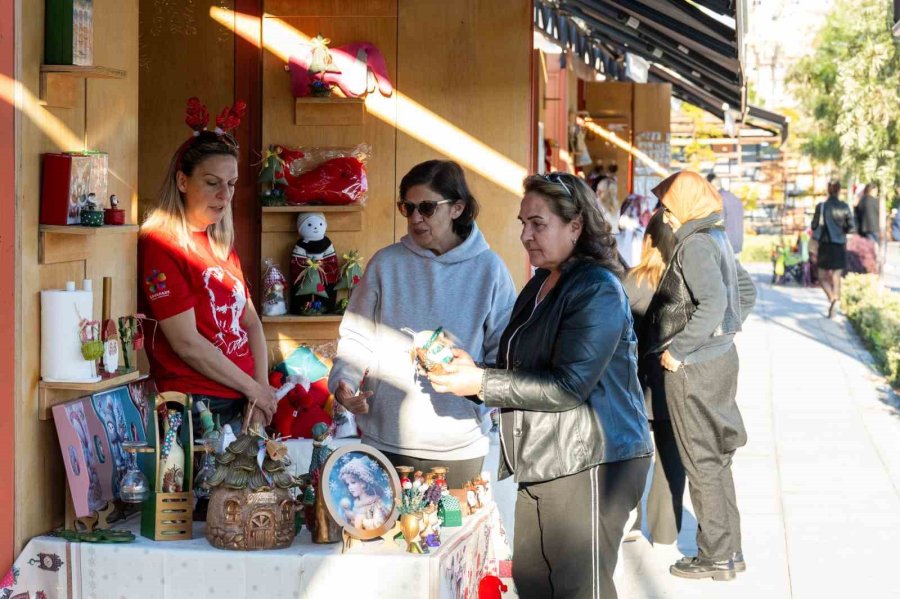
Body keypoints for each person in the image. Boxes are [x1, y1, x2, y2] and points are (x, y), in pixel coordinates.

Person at [428, 172, 652, 599]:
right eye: (522, 223)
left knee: (578, 590)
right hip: (546, 458)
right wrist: (469, 375)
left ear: (576, 225)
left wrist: (483, 380)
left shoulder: (597, 288)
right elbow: (524, 368)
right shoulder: (540, 283)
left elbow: (569, 386)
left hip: (592, 459)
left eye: (538, 223)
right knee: (533, 583)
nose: (525, 235)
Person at [328, 160, 516, 489]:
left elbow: (506, 357)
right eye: (408, 208)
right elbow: (357, 336)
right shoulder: (386, 263)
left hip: (459, 446)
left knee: (452, 540)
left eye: (427, 208)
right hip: (385, 441)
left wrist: (474, 382)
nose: (415, 218)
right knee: (382, 539)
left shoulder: (490, 270)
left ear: (457, 208)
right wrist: (344, 383)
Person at [139, 98, 275, 436]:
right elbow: (186, 343)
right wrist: (254, 390)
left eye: (231, 184)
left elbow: (251, 323)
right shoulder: (161, 243)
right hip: (197, 406)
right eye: (212, 183)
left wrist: (260, 395)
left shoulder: (219, 242)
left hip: (242, 400)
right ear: (183, 181)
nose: (224, 195)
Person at [648, 171, 757, 581]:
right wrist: (723, 334)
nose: (665, 215)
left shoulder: (693, 244)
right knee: (718, 460)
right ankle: (731, 551)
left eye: (668, 206)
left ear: (686, 205)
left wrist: (680, 350)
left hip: (696, 369)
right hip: (720, 362)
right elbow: (744, 294)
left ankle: (715, 557)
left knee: (703, 463)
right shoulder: (716, 237)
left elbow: (713, 302)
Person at [622, 209, 685, 546]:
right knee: (670, 457)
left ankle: (630, 522)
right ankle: (665, 532)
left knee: (631, 454)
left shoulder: (630, 281)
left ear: (647, 241)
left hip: (633, 383)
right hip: (672, 382)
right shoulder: (685, 283)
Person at [811, 180, 855, 318]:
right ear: (839, 190)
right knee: (836, 276)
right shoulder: (845, 206)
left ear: (828, 190)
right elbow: (851, 227)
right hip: (840, 245)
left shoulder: (821, 207)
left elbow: (814, 226)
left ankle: (832, 298)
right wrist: (841, 229)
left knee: (822, 276)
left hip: (825, 245)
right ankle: (836, 301)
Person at [339, 457, 389, 531]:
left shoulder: (375, 503)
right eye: (348, 484)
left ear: (363, 483)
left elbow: (378, 524)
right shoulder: (356, 503)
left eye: (353, 482)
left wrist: (359, 519)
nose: (350, 487)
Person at [707, 173, 744, 256]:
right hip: (737, 244)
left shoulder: (719, 200)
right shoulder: (734, 197)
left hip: (724, 248)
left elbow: (717, 225)